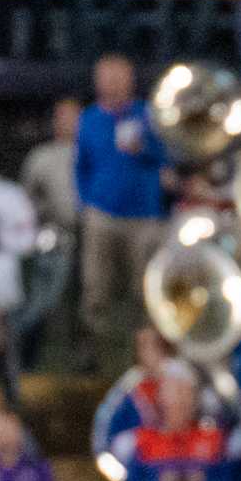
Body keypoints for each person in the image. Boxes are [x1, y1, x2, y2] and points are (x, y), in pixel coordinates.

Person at [73, 54, 165, 374]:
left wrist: (146, 149)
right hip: (102, 215)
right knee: (96, 287)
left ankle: (144, 358)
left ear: (130, 80)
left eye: (118, 76)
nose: (111, 83)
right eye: (106, 77)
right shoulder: (88, 118)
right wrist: (86, 203)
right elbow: (81, 166)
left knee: (145, 291)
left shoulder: (149, 116)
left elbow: (167, 156)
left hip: (144, 216)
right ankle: (95, 354)